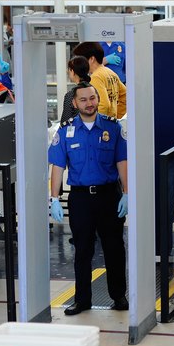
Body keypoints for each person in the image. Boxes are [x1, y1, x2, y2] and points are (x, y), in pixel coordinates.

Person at [48, 82, 129, 316]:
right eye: (83, 100)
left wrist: (127, 193)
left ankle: (118, 295)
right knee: (82, 249)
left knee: (114, 247)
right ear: (75, 103)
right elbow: (58, 166)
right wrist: (54, 198)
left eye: (92, 98)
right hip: (81, 198)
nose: (89, 103)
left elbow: (121, 162)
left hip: (108, 196)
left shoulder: (113, 128)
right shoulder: (65, 131)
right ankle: (82, 300)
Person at [72, 42, 126, 119]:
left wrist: (94, 123)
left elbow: (103, 104)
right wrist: (116, 116)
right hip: (110, 124)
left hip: (101, 127)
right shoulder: (110, 72)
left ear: (91, 59)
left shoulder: (95, 77)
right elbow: (125, 96)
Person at [60, 55, 90, 123]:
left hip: (78, 132)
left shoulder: (71, 95)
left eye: (69, 69)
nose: (67, 72)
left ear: (73, 71)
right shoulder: (94, 91)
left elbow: (65, 122)